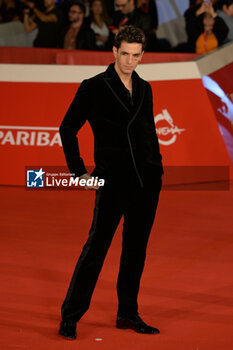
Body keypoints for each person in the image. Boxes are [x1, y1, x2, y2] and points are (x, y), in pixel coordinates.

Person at [59, 25, 163, 340]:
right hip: (112, 181)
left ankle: (127, 313)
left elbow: (148, 133)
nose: (130, 61)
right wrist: (79, 172)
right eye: (125, 54)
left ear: (142, 55)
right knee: (96, 249)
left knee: (136, 251)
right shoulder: (93, 87)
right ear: (114, 51)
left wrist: (156, 169)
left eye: (136, 55)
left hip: (146, 183)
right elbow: (67, 129)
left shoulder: (145, 89)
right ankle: (71, 316)